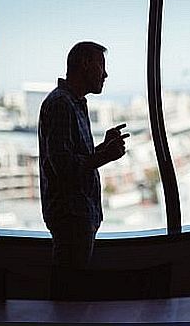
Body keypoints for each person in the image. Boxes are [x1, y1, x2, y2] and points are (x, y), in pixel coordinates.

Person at [38, 41, 129, 299]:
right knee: (70, 294)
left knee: (72, 291)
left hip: (78, 215)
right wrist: (106, 156)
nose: (105, 74)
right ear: (86, 65)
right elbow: (65, 168)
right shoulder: (61, 105)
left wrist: (102, 148)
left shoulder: (74, 102)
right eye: (102, 66)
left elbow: (73, 157)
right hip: (71, 216)